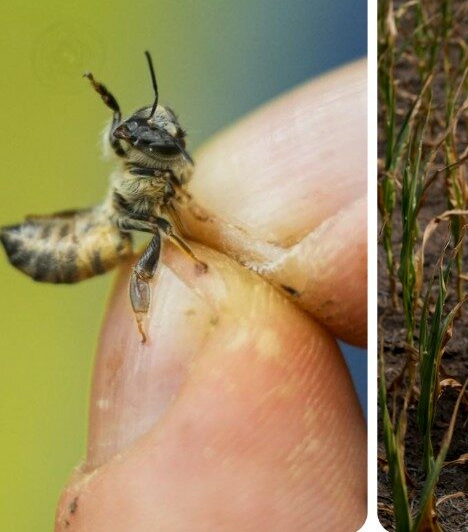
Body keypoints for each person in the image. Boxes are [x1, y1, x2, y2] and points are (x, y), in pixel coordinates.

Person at [54, 62, 368, 530]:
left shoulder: (174, 184)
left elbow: (178, 211)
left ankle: (144, 317)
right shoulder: (147, 171)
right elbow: (118, 140)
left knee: (164, 242)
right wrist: (107, 97)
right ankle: (142, 315)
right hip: (99, 231)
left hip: (122, 234)